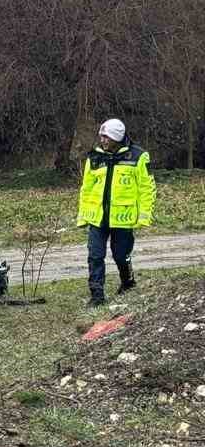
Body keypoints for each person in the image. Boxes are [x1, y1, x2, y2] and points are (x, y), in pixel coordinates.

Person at [79, 118, 155, 306]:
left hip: (123, 218)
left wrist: (144, 215)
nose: (103, 140)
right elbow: (86, 188)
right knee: (95, 255)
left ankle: (127, 282)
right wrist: (82, 215)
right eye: (101, 136)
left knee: (121, 255)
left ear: (117, 138)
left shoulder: (138, 156)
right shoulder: (94, 157)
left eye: (107, 137)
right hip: (97, 218)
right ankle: (97, 295)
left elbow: (147, 188)